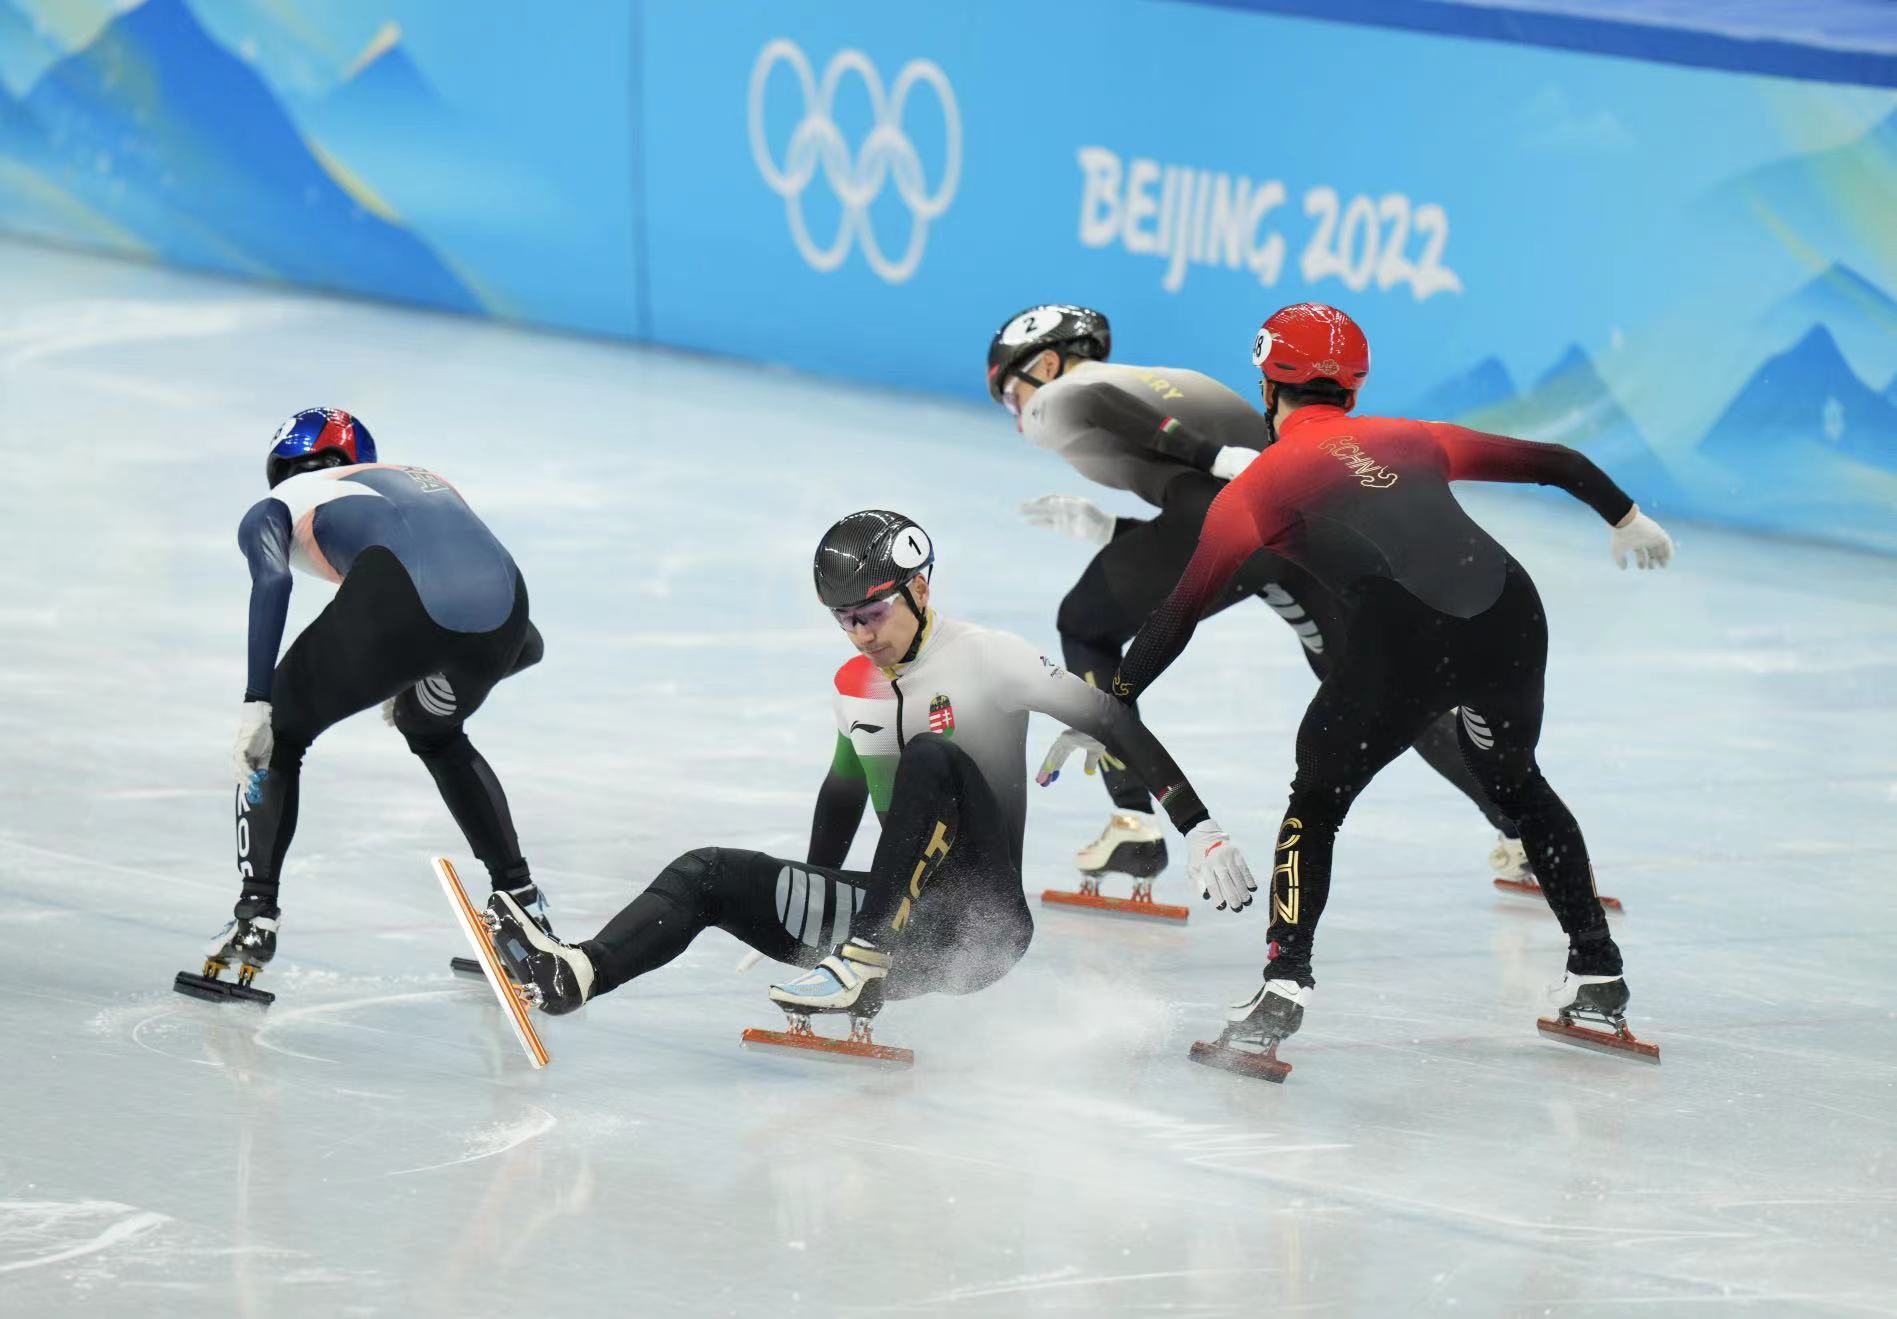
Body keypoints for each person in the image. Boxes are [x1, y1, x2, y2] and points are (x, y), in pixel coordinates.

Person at [1112, 303, 1676, 1063]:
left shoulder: (1256, 487)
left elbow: (1175, 615)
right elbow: (1556, 462)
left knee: (1316, 799)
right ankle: (1597, 971)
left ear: (1267, 387)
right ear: (1350, 388)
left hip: (1404, 640)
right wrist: (1626, 516)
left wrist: (1111, 697)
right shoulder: (1409, 437)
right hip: (1509, 612)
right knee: (1516, 786)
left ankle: (1283, 985)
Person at [484, 510, 1253, 1039]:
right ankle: (580, 972)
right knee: (705, 872)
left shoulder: (989, 657)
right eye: (842, 618)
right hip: (898, 920)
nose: (859, 634)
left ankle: (861, 960)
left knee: (930, 754)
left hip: (980, 931)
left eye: (872, 613)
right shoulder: (853, 684)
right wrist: (807, 886)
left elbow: (1111, 719)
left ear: (920, 588)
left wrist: (1200, 826)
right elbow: (842, 792)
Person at [986, 304, 1526, 897]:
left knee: (1085, 626)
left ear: (1046, 363)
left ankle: (1133, 820)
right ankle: (1524, 830)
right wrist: (1112, 530)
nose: (1019, 418)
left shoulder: (1067, 393)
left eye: (1011, 397)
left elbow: (1104, 416)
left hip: (1228, 518)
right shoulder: (1169, 378)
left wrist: (1209, 457)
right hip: (1299, 525)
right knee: (1383, 691)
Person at [193, 408, 547, 995]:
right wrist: (430, 683)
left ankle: (254, 917)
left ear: (280, 468)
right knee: (434, 732)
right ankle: (523, 909)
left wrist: (258, 702)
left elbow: (274, 582)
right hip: (504, 616)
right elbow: (528, 645)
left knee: (281, 734)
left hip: (400, 602)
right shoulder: (422, 479)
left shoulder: (277, 506)